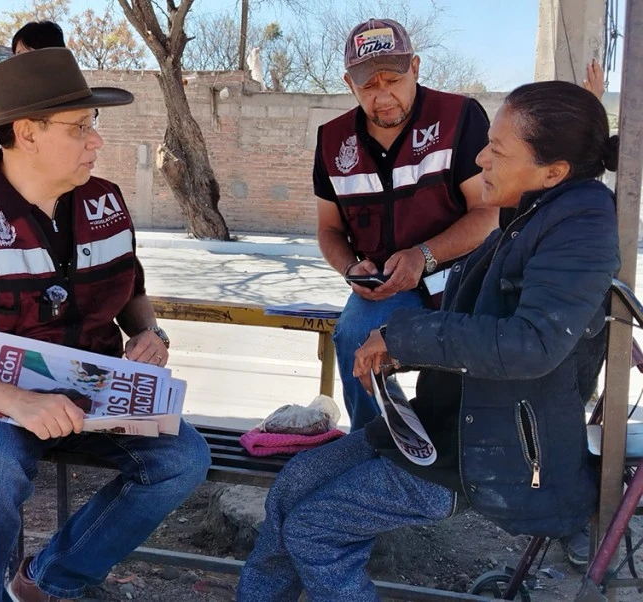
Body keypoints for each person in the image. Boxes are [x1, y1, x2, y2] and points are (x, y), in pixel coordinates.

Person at [237, 80, 620, 601]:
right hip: (443, 426)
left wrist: (402, 336)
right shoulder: (532, 212)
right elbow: (478, 327)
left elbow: (531, 344)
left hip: (487, 453)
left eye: (498, 150)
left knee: (315, 528)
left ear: (552, 172)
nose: (481, 158)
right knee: (292, 487)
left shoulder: (581, 226)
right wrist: (397, 350)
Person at [0, 48, 211, 601]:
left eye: (92, 124)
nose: (97, 141)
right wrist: (21, 403)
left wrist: (149, 333)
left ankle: (48, 580)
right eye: (80, 128)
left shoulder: (105, 202)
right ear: (27, 133)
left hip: (94, 394)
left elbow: (131, 293)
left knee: (183, 459)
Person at [314, 18, 498, 430]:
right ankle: (375, 440)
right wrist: (350, 267)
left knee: (469, 364)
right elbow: (328, 229)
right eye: (368, 85)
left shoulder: (459, 117)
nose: (383, 96)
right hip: (388, 287)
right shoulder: (332, 140)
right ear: (349, 84)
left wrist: (423, 256)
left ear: (415, 68)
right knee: (354, 334)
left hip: (462, 278)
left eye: (394, 80)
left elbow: (488, 215)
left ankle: (458, 446)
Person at [0, 20, 67, 165]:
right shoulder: (9, 96)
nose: (23, 62)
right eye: (19, 55)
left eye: (32, 54)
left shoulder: (71, 96)